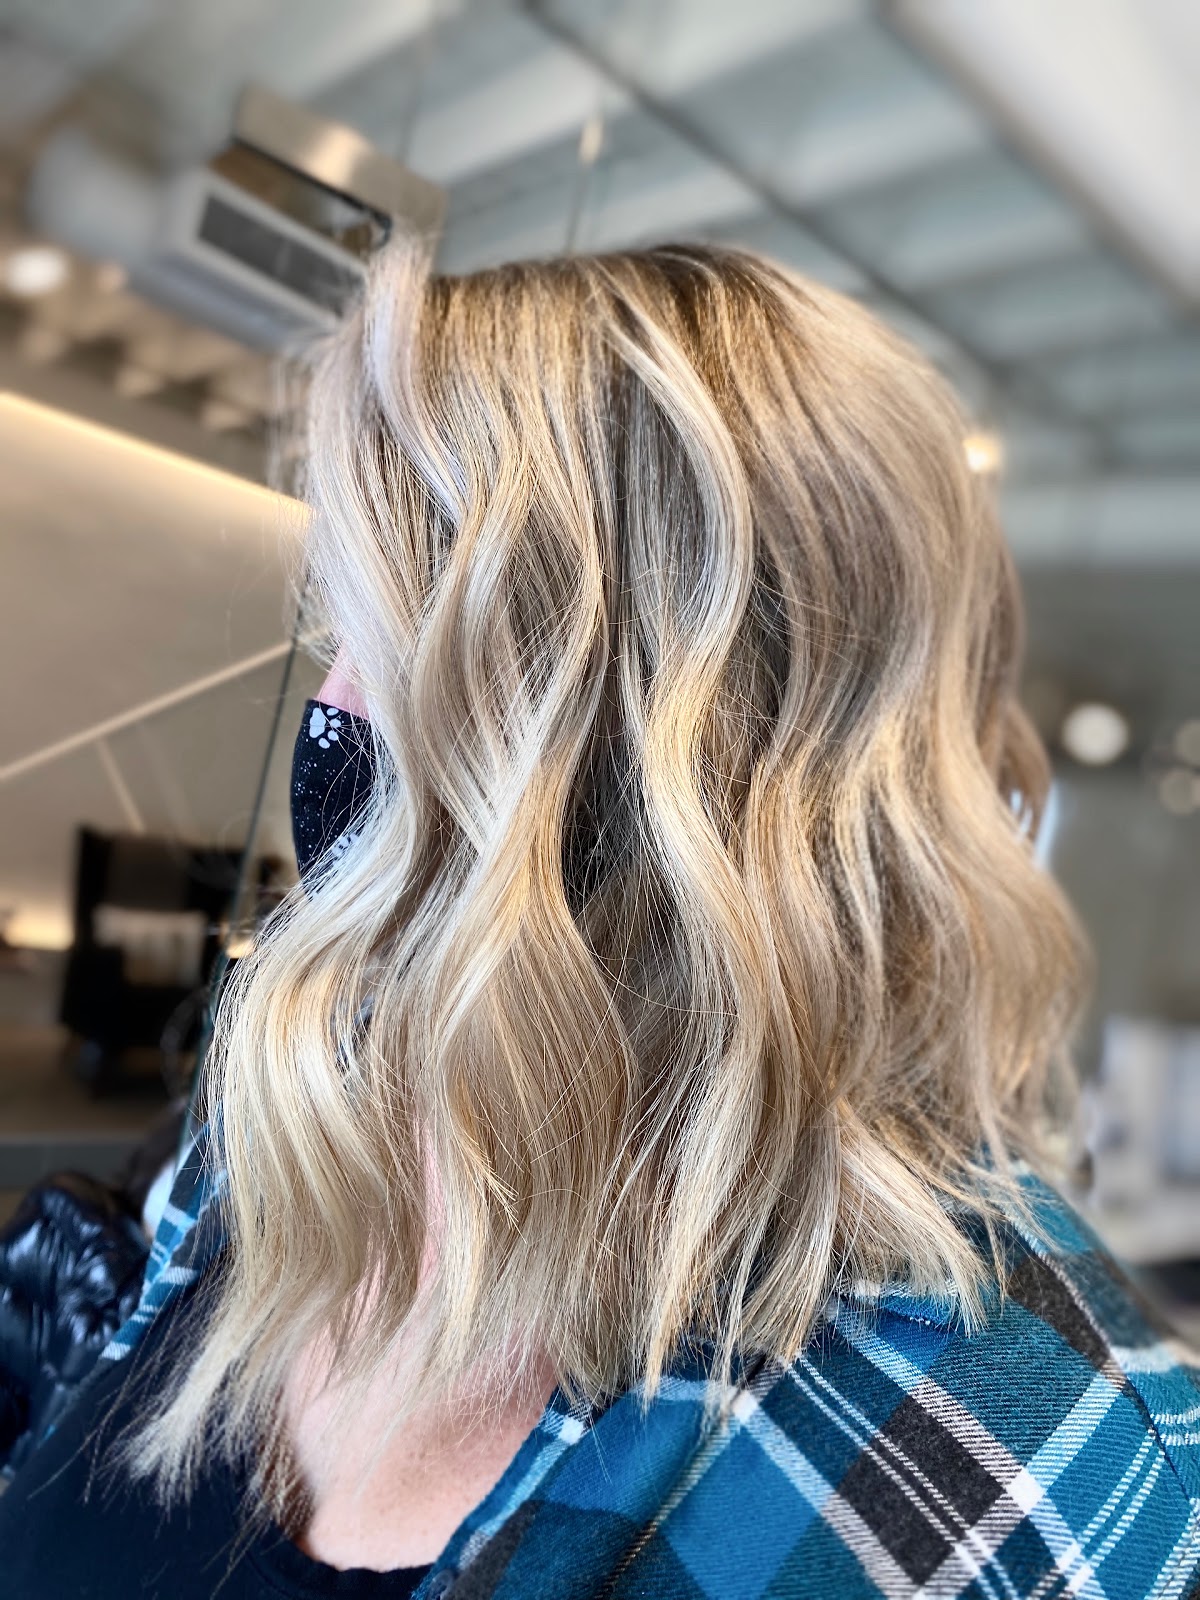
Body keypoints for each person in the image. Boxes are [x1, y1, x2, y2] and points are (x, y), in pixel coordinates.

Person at [2, 238, 1197, 1599]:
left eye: (402, 644)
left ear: (675, 757)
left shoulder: (1050, 1471)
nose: (334, 707)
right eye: (335, 628)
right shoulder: (321, 1090)